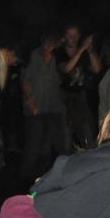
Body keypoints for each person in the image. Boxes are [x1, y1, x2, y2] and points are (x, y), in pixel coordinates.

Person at [20, 31, 70, 186]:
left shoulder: (59, 57)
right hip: (36, 108)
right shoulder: (33, 55)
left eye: (55, 42)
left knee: (48, 146)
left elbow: (65, 76)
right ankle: (25, 181)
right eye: (49, 41)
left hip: (54, 107)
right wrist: (30, 100)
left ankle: (44, 180)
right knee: (33, 145)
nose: (51, 45)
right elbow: (25, 80)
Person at [55, 24, 102, 148]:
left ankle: (88, 154)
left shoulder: (85, 52)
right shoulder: (60, 52)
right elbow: (66, 69)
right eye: (70, 35)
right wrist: (81, 50)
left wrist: (90, 50)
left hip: (80, 96)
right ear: (65, 37)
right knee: (66, 134)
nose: (73, 38)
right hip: (63, 97)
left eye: (76, 35)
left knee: (87, 130)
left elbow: (97, 69)